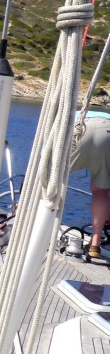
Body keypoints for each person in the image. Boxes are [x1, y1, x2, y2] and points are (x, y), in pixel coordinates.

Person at [70, 110, 110, 259]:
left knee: (49, 180)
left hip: (79, 127)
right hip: (107, 131)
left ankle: (29, 223)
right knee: (101, 191)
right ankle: (95, 245)